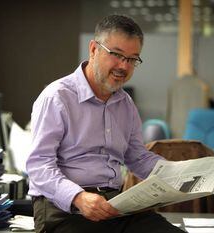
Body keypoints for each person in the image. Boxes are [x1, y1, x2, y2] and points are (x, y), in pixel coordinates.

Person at [26, 15, 185, 233]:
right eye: (117, 55)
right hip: (65, 209)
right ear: (93, 49)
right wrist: (78, 197)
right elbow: (38, 166)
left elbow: (137, 157)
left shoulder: (125, 104)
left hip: (116, 205)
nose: (123, 66)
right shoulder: (57, 97)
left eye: (132, 59)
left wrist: (178, 173)